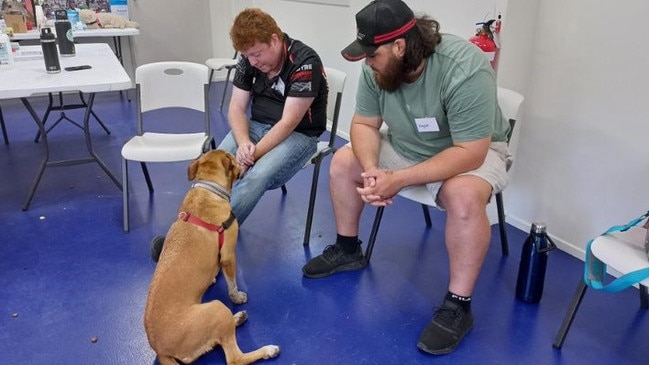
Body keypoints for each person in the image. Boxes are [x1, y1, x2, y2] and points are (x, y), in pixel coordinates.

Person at [302, 0, 511, 356]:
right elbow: (365, 124)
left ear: (400, 46)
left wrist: (397, 179)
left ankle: (458, 305)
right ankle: (349, 249)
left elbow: (470, 152)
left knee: (462, 197)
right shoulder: (378, 68)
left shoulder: (464, 66)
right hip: (406, 144)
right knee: (343, 161)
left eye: (372, 55)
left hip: (471, 149)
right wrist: (372, 171)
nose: (367, 63)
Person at [151, 8, 328, 260]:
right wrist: (244, 142)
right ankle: (186, 232)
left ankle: (207, 242)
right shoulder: (248, 60)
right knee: (215, 163)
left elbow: (288, 123)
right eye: (248, 55)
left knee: (257, 175)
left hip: (299, 135)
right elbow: (235, 107)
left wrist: (252, 154)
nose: (253, 61)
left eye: (257, 54)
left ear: (275, 40)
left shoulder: (305, 62)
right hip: (257, 127)